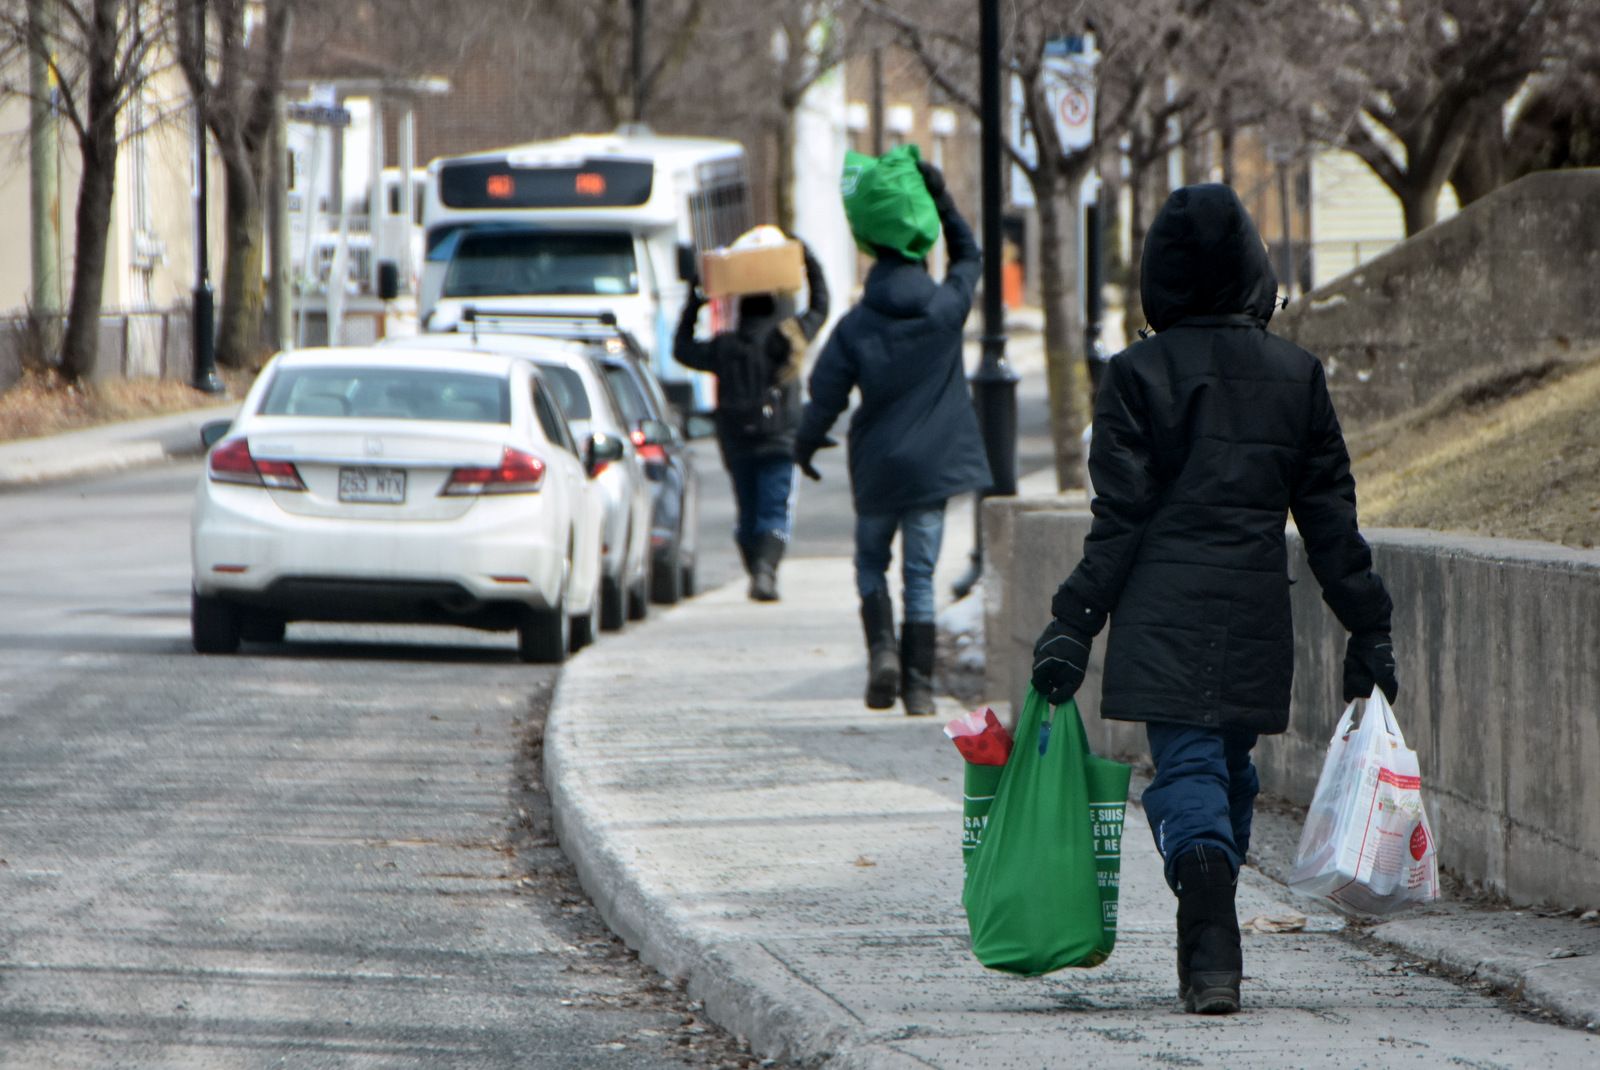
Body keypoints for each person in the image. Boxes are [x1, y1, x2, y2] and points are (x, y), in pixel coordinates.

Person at [1029, 184, 1397, 1016]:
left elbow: (1117, 520)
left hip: (1163, 609)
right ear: (1251, 270)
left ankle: (1210, 943)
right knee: (1225, 768)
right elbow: (1331, 518)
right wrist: (1368, 626)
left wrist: (1072, 624)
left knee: (1196, 770)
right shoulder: (1296, 376)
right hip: (1254, 608)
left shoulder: (1134, 375)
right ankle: (1213, 945)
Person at [793, 162, 991, 717]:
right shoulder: (945, 308)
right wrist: (943, 197)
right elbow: (970, 257)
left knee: (869, 565)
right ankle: (920, 689)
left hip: (877, 468)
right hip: (932, 469)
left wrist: (805, 446)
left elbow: (825, 394)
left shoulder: (856, 324)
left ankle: (882, 653)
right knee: (921, 578)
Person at [674, 238, 828, 601]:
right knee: (774, 509)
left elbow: (681, 348)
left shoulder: (725, 347)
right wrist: (809, 261)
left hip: (737, 440)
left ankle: (757, 569)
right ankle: (765, 571)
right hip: (780, 438)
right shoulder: (787, 338)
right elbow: (822, 307)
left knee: (747, 511)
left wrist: (695, 300)